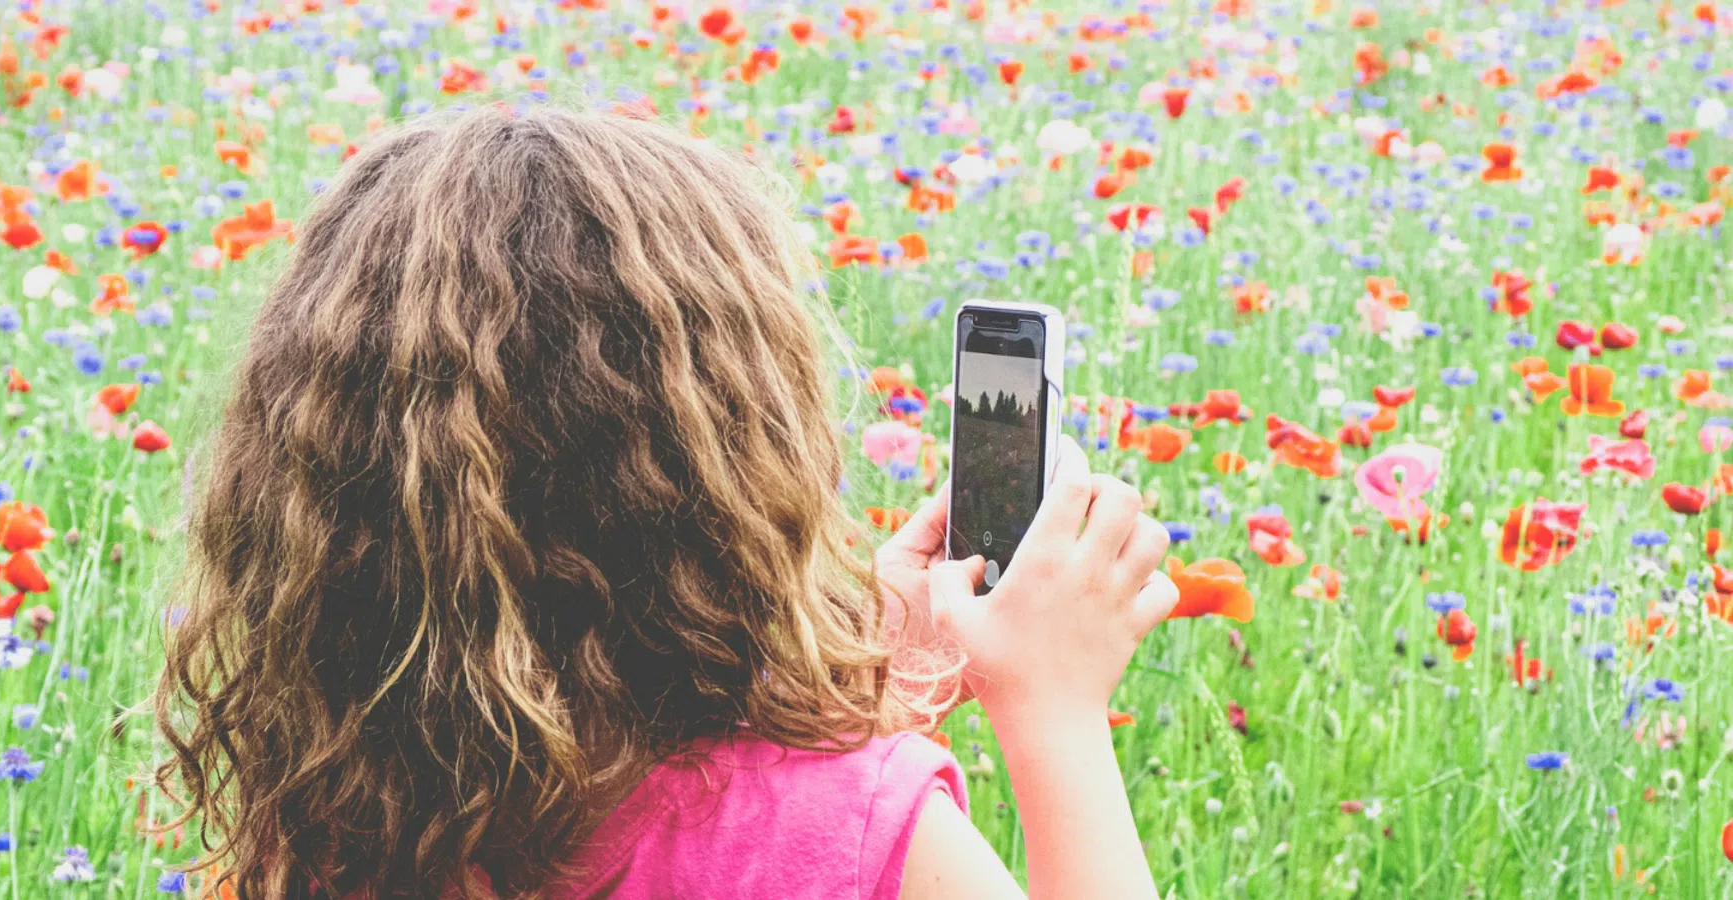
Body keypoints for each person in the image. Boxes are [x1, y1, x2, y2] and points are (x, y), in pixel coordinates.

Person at [153, 105, 1178, 900]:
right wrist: (1053, 708)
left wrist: (851, 688)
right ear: (736, 466)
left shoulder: (336, 820)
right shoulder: (849, 833)